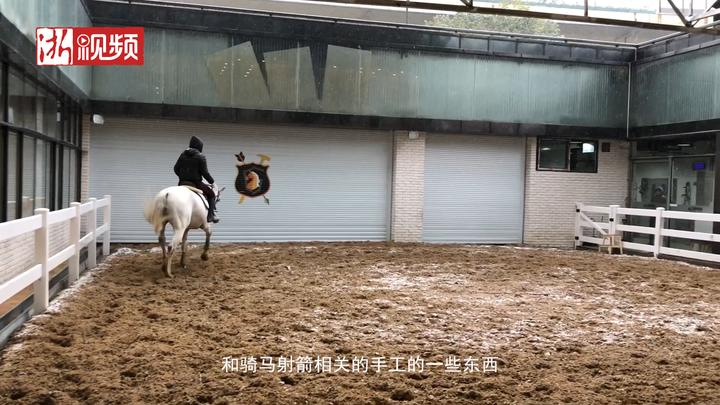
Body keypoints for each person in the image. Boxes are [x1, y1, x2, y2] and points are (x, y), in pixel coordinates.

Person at [174, 136, 219, 223]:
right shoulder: (200, 156)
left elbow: (176, 169)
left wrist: (183, 176)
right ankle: (211, 216)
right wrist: (212, 182)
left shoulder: (182, 155)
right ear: (199, 147)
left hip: (182, 182)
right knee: (211, 194)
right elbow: (205, 173)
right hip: (196, 183)